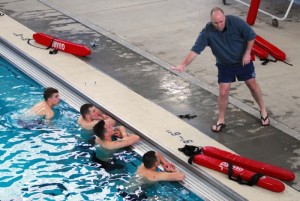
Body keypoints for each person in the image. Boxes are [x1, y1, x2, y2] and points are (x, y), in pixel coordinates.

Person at [171, 7, 270, 132]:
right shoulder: (207, 31)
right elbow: (196, 50)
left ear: (224, 17)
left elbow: (251, 35)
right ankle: (221, 120)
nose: (219, 25)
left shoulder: (236, 22)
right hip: (224, 65)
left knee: (252, 85)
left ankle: (263, 110)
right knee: (223, 92)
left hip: (243, 61)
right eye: (215, 23)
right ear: (211, 21)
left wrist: (247, 53)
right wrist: (183, 65)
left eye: (221, 21)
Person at [118, 151, 185, 200]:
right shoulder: (154, 175)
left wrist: (165, 163)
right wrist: (172, 170)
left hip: (123, 189)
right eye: (158, 159)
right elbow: (181, 176)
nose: (159, 158)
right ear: (156, 163)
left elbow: (157, 153)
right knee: (172, 199)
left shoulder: (144, 165)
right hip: (133, 197)